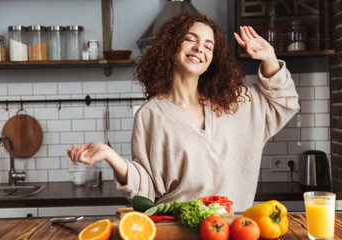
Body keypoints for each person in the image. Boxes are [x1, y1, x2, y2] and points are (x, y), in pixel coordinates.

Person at [67, 13, 299, 212]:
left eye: (209, 46)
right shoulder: (151, 115)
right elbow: (146, 188)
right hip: (178, 230)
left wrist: (269, 57)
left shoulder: (236, 101)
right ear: (170, 48)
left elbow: (283, 103)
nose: (200, 48)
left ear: (211, 61)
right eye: (190, 39)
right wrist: (110, 155)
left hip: (233, 231)